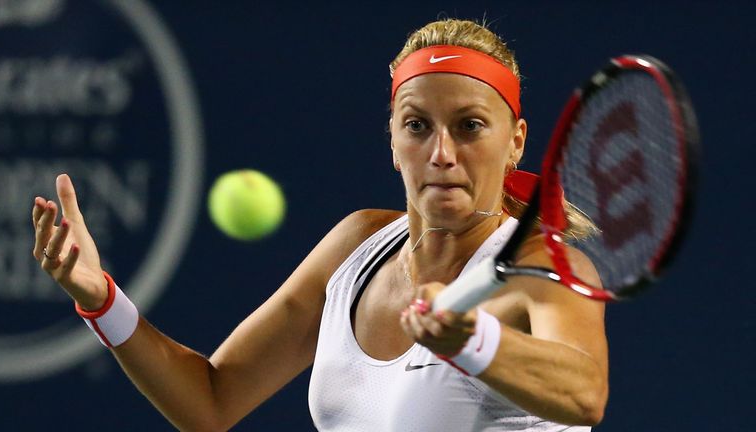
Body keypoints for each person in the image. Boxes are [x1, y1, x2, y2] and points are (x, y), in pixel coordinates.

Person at [32, 18, 608, 432]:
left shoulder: (541, 267)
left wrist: (475, 342)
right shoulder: (354, 247)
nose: (441, 153)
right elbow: (209, 402)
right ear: (392, 139)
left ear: (516, 143)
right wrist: (101, 300)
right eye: (416, 125)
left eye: (469, 126)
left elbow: (584, 394)